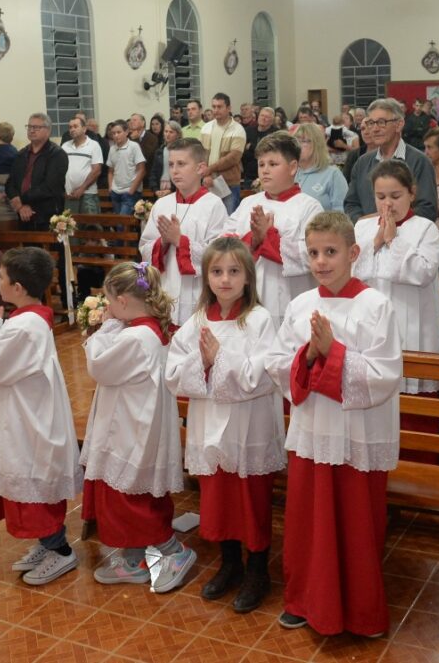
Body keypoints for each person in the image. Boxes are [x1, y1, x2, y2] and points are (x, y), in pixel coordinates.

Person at [265, 211, 402, 637]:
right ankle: (306, 600)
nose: (321, 261)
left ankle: (360, 611)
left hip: (358, 435)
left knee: (357, 522)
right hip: (312, 433)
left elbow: (385, 374)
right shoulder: (301, 304)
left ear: (353, 253)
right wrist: (308, 356)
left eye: (330, 252)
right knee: (309, 521)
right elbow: (275, 362)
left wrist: (333, 352)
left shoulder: (376, 305)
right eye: (313, 253)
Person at [165, 238, 286, 612]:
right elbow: (172, 372)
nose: (225, 279)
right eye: (217, 272)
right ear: (206, 278)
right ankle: (229, 563)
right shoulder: (198, 320)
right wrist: (201, 364)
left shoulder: (260, 320)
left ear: (248, 277)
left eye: (234, 271)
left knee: (250, 500)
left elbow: (262, 376)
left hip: (249, 428)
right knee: (218, 499)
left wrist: (220, 358)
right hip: (210, 425)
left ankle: (257, 570)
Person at [0, 248, 82, 586]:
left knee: (32, 488)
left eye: (1, 278)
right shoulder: (27, 319)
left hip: (26, 421)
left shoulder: (26, 327)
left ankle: (60, 551)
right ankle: (47, 545)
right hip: (24, 413)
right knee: (28, 485)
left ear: (16, 287)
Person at [80, 261, 197, 592]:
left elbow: (99, 367)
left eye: (108, 300)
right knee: (132, 492)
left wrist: (103, 329)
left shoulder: (136, 337)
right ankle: (132, 560)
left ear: (122, 301)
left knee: (131, 497)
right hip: (135, 421)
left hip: (131, 428)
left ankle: (174, 552)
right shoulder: (148, 329)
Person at [352, 160, 439, 462]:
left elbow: (421, 272)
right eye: (381, 197)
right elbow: (351, 274)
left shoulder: (426, 229)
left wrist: (392, 241)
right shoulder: (362, 228)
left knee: (413, 412)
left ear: (412, 193)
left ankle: (419, 468)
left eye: (395, 196)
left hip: (414, 327)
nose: (388, 203)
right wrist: (377, 241)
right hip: (371, 331)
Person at [226, 132, 323, 325]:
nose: (265, 171)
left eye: (273, 164)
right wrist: (253, 241)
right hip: (247, 297)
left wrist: (268, 237)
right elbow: (224, 242)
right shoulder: (248, 203)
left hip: (289, 296)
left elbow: (311, 255)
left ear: (293, 167)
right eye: (261, 164)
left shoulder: (309, 207)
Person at [139, 138, 228, 325]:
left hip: (198, 292)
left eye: (181, 164)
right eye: (171, 164)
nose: (174, 170)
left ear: (200, 168)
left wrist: (180, 241)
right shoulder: (162, 204)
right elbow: (145, 248)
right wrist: (162, 242)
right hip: (167, 286)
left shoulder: (213, 205)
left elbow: (218, 254)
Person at [344, 98, 438, 221]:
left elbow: (427, 209)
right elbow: (351, 204)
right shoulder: (362, 163)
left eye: (381, 122)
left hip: (407, 237)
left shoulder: (419, 161)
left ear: (399, 125)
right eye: (371, 123)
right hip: (368, 237)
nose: (375, 129)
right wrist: (365, 224)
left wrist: (385, 221)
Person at [8, 113, 67, 230]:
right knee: (27, 248)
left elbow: (50, 186)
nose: (32, 130)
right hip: (23, 213)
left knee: (50, 248)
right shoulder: (21, 154)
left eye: (36, 127)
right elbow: (10, 182)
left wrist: (21, 199)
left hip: (47, 215)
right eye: (29, 127)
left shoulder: (57, 154)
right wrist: (20, 205)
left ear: (48, 130)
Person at [201, 93, 248, 213]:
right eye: (214, 106)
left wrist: (209, 169)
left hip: (229, 183)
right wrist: (206, 175)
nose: (216, 110)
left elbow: (233, 158)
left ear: (229, 108)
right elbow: (201, 155)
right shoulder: (206, 128)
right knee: (209, 219)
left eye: (219, 107)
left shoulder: (238, 129)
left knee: (229, 219)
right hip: (208, 182)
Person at [294, 122, 347, 211]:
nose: (298, 145)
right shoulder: (290, 172)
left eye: (304, 141)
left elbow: (342, 212)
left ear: (316, 145)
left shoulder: (332, 174)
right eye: (296, 141)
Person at [61, 115, 103, 214]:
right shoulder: (65, 146)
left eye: (75, 126)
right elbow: (60, 170)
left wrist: (81, 189)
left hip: (88, 194)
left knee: (91, 226)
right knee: (70, 226)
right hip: (69, 195)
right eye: (70, 127)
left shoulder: (94, 145)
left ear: (84, 129)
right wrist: (64, 190)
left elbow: (96, 171)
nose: (72, 129)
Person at [105, 120, 147, 215]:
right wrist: (110, 188)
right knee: (119, 224)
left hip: (130, 192)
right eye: (113, 133)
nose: (116, 135)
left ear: (127, 132)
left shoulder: (134, 146)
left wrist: (132, 190)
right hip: (115, 192)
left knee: (122, 223)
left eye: (119, 132)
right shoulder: (112, 149)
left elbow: (142, 170)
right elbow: (110, 171)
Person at [157, 120, 182, 196]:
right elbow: (154, 172)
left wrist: (172, 189)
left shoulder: (181, 151)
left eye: (171, 132)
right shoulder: (160, 151)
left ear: (178, 134)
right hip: (161, 186)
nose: (167, 134)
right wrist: (155, 189)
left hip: (176, 187)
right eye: (166, 131)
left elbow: (181, 173)